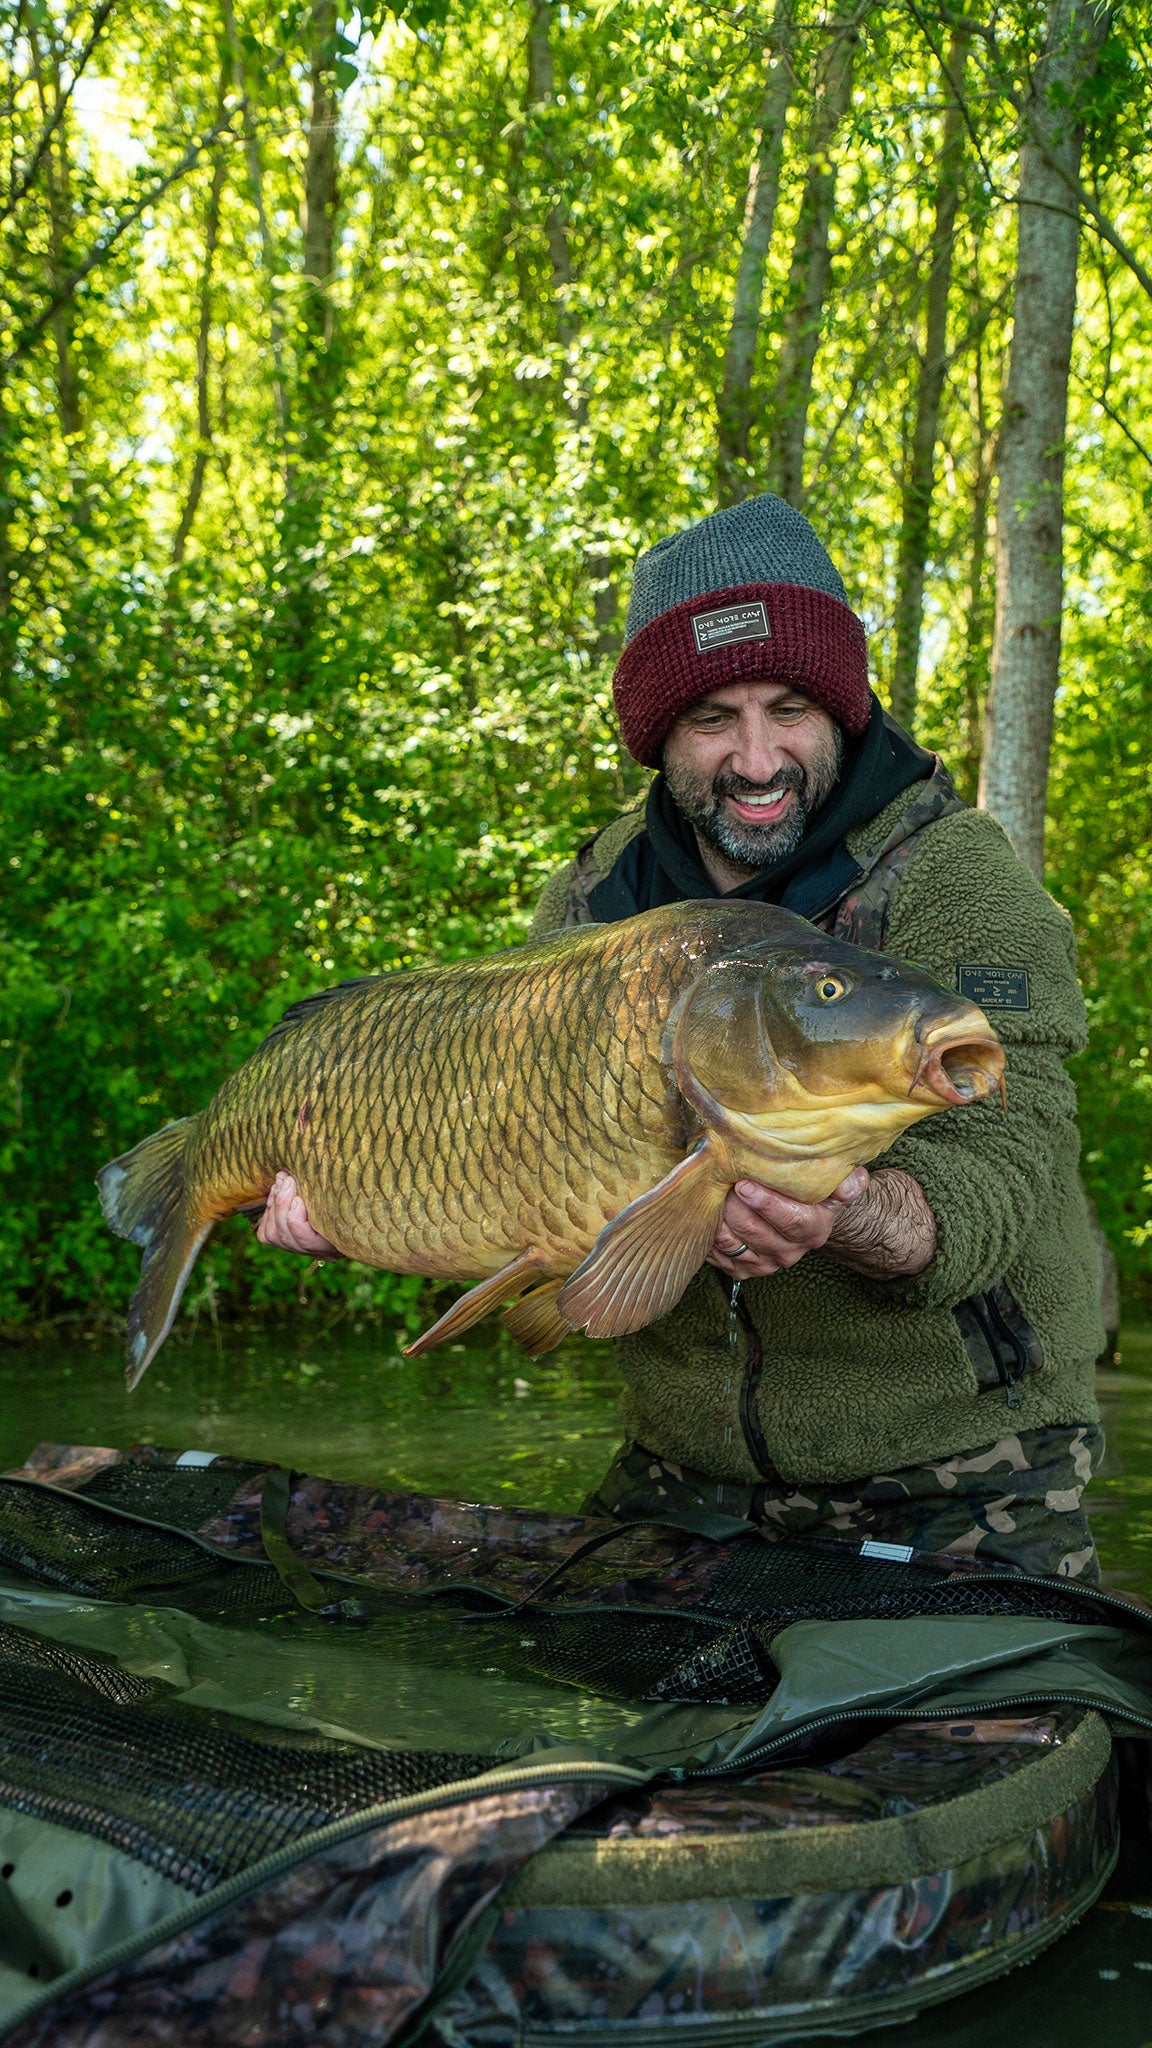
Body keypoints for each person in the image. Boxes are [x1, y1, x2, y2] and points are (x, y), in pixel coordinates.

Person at [258, 493, 1106, 1580]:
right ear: (658, 732)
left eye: (788, 708)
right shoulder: (595, 899)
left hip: (968, 1464)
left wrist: (847, 1211)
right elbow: (532, 1197)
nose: (756, 760)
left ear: (842, 710)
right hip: (687, 1467)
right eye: (712, 718)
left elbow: (1003, 1174)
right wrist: (368, 1204)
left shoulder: (964, 881)